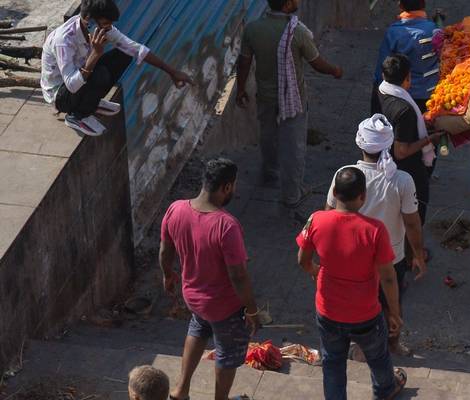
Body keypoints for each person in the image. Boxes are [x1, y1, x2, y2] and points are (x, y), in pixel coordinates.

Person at [297, 167, 407, 400]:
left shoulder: (316, 220)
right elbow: (388, 276)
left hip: (328, 311)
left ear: (335, 192)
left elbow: (302, 259)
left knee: (333, 363)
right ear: (363, 197)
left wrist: (315, 271)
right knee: (378, 357)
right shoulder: (375, 230)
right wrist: (395, 313)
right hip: (365, 313)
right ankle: (385, 390)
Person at [325, 115, 427, 356]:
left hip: (352, 256)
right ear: (388, 145)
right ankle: (392, 344)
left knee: (356, 302)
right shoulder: (402, 180)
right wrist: (419, 255)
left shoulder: (344, 174)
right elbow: (412, 223)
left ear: (360, 144)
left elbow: (328, 213)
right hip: (391, 257)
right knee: (392, 303)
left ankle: (360, 344)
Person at [160, 158, 260, 400]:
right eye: (233, 186)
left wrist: (167, 274)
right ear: (226, 187)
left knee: (198, 328)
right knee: (227, 352)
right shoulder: (226, 226)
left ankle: (180, 390)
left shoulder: (176, 209)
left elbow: (165, 249)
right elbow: (238, 275)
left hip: (193, 297)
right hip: (223, 305)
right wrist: (252, 310)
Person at [236, 0, 343, 211]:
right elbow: (317, 63)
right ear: (286, 5)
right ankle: (292, 195)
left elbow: (244, 61)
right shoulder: (297, 32)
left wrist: (240, 89)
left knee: (268, 136)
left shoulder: (253, 29)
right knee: (294, 146)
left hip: (265, 96)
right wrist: (335, 71)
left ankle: (270, 173)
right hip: (293, 99)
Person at [41, 0, 193, 136]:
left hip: (79, 80)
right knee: (99, 74)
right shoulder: (64, 41)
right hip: (60, 94)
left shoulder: (101, 28)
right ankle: (77, 116)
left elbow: (135, 49)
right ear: (89, 21)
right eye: (105, 23)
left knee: (124, 54)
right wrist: (95, 55)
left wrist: (172, 72)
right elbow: (72, 85)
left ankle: (91, 102)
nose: (108, 29)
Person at [378, 54, 443, 232]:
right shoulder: (405, 110)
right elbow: (402, 151)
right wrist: (429, 139)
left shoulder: (382, 90)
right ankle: (413, 255)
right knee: (414, 213)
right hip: (407, 169)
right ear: (407, 77)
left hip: (388, 159)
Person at [372, 0, 439, 114]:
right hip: (430, 96)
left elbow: (382, 69)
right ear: (423, 5)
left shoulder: (393, 32)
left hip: (401, 96)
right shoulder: (433, 29)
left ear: (400, 5)